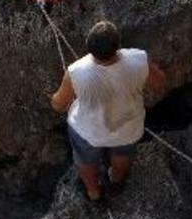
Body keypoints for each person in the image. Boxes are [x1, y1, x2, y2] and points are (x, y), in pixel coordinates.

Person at [50, 21, 167, 202]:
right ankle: (116, 181)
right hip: (127, 127)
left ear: (89, 47)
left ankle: (93, 192)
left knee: (85, 160)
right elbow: (159, 83)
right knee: (123, 154)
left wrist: (54, 98)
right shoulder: (139, 59)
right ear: (118, 46)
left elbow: (58, 104)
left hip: (88, 131)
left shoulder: (76, 71)